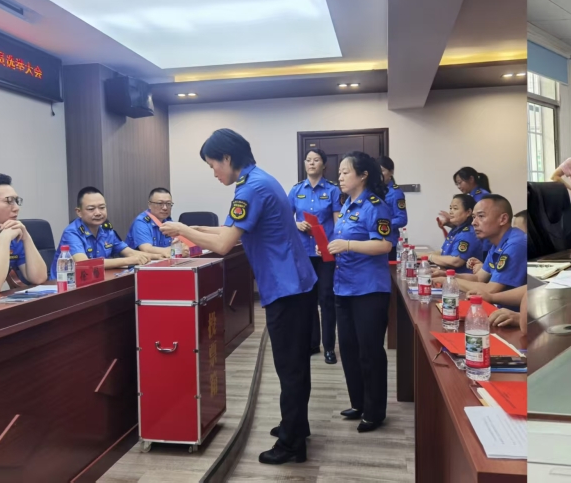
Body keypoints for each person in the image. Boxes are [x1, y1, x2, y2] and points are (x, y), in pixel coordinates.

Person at [159, 129, 318, 465]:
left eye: (213, 165)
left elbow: (223, 244)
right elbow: (231, 230)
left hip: (286, 288)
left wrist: (182, 229)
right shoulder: (259, 180)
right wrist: (193, 230)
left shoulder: (250, 189)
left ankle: (292, 444)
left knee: (290, 368)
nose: (214, 173)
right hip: (294, 283)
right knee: (294, 365)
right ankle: (295, 426)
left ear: (228, 158)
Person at [327, 151, 394, 434]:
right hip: (344, 287)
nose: (340, 177)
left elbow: (384, 245)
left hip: (369, 290)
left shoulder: (375, 206)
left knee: (370, 351)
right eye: (339, 172)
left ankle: (375, 411)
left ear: (363, 175)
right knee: (349, 349)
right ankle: (358, 403)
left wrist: (347, 245)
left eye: (345, 172)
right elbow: (342, 241)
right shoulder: (346, 205)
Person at [288, 148, 341, 365]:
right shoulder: (296, 189)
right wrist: (296, 224)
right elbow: (285, 217)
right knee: (307, 299)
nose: (311, 163)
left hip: (325, 253)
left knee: (326, 299)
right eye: (308, 160)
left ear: (324, 165)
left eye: (316, 160)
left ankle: (329, 347)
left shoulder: (333, 190)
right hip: (303, 253)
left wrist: (335, 246)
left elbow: (338, 223)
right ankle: (312, 344)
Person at [51, 187, 158, 278]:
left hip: (97, 281)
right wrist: (129, 260)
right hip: (64, 287)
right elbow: (85, 264)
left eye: (102, 207)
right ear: (79, 212)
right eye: (91, 209)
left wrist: (159, 257)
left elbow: (130, 252)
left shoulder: (106, 230)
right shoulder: (71, 233)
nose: (98, 213)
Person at [0, 173, 47, 296]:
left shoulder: (12, 231)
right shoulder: (6, 234)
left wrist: (26, 237)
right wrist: (3, 239)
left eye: (16, 201)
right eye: (9, 201)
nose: (16, 208)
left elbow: (38, 278)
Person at [437, 194, 526, 295]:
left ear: (503, 219)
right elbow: (479, 278)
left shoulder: (515, 244)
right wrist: (445, 275)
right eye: (474, 217)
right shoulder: (497, 243)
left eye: (481, 216)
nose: (473, 223)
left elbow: (490, 290)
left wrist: (447, 281)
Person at [126, 187, 185, 258]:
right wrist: (175, 250)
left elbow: (179, 242)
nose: (165, 208)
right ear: (149, 205)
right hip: (143, 262)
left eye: (168, 204)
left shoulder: (168, 220)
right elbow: (146, 249)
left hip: (164, 260)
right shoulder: (141, 222)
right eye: (160, 203)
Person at [429, 194, 479, 274]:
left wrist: (430, 257)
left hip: (461, 279)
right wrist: (421, 256)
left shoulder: (468, 234)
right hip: (448, 275)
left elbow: (456, 261)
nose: (451, 212)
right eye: (450, 208)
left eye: (455, 208)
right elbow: (442, 252)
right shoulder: (456, 229)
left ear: (468, 212)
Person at [378, 156, 408, 261]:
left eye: (382, 171)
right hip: (375, 242)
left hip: (390, 242)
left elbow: (402, 219)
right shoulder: (375, 191)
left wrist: (381, 225)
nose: (379, 174)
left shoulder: (395, 193)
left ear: (391, 172)